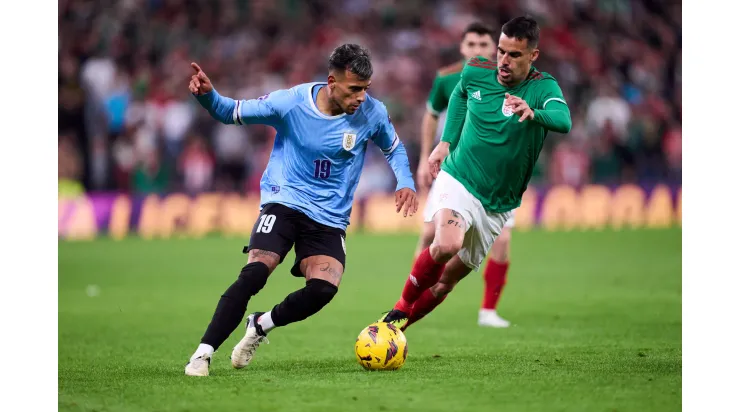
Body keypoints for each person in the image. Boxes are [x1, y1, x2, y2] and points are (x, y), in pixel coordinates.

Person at [185, 44, 418, 376]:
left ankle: (261, 324)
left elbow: (393, 147)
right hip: (285, 200)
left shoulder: (372, 112)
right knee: (254, 273)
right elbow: (230, 111)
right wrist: (208, 96)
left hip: (329, 217)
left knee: (323, 289)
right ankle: (203, 354)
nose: (361, 98)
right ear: (331, 82)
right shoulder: (290, 103)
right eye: (354, 90)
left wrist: (405, 181)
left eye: (365, 89)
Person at [380, 16, 571, 332]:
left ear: (533, 55)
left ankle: (393, 331)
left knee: (444, 285)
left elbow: (563, 120)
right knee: (445, 244)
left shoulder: (542, 87)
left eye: (514, 54)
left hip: (498, 203)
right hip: (459, 177)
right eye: (501, 51)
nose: (503, 61)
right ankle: (398, 311)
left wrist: (533, 112)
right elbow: (459, 95)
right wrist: (444, 144)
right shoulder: (477, 71)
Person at [416, 21, 515, 328]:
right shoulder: (447, 79)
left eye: (483, 45)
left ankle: (488, 311)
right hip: (453, 170)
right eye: (471, 45)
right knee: (430, 235)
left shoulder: (506, 78)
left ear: (494, 49)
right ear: (462, 48)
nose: (477, 50)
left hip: (495, 175)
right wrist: (423, 159)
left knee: (502, 240)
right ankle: (415, 295)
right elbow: (431, 115)